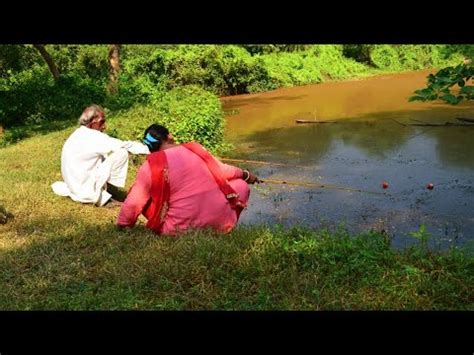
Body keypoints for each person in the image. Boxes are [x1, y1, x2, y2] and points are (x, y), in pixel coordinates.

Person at [117, 123, 260, 235]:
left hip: (176, 230)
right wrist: (247, 175)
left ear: (150, 147)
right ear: (170, 136)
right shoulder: (195, 149)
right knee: (241, 185)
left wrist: (123, 224)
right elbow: (223, 171)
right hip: (216, 222)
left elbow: (134, 201)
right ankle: (223, 226)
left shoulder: (150, 165)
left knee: (139, 192)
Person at [51, 104, 149, 207]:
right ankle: (105, 197)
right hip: (83, 187)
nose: (104, 126)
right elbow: (124, 145)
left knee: (105, 155)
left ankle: (106, 189)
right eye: (101, 122)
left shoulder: (79, 133)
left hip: (75, 184)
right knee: (121, 152)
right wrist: (150, 149)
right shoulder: (93, 136)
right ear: (92, 122)